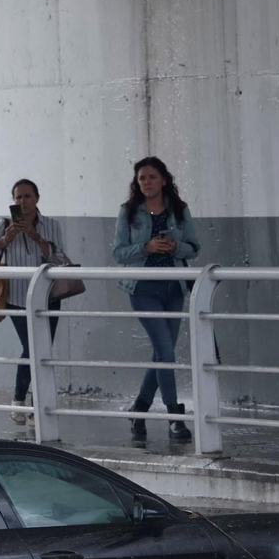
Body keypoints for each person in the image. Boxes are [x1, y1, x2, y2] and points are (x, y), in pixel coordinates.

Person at [111, 157, 200, 443]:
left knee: (162, 354)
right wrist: (145, 247)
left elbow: (194, 248)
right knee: (165, 352)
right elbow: (118, 253)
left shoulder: (180, 210)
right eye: (141, 178)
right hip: (143, 289)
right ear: (136, 183)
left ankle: (139, 409)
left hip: (173, 288)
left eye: (151, 177)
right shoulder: (128, 212)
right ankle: (175, 417)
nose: (147, 182)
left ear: (163, 179)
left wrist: (176, 247)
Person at [0, 179, 67, 424]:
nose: (22, 202)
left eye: (27, 197)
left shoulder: (51, 226)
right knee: (31, 348)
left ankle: (37, 403)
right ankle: (19, 400)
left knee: (42, 349)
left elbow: (60, 260)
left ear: (37, 198)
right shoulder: (4, 224)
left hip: (48, 297)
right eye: (18, 197)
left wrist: (36, 237)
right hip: (16, 297)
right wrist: (5, 240)